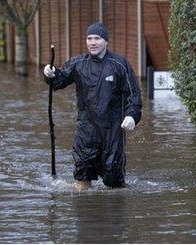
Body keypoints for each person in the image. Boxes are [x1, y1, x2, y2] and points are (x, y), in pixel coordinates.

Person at [43, 22, 142, 191]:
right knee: (82, 175)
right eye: (89, 38)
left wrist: (132, 115)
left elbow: (133, 95)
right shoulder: (77, 64)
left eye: (97, 38)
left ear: (106, 41)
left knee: (113, 180)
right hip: (86, 131)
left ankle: (114, 213)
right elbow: (58, 81)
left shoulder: (119, 64)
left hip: (112, 131)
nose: (93, 42)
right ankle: (85, 211)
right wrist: (49, 74)